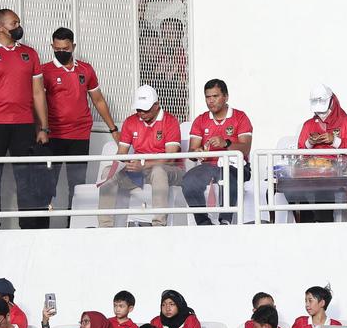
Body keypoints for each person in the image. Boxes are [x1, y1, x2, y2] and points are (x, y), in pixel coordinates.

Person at [0, 8, 50, 230]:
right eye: (14, 23)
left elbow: (38, 92)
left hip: (24, 125)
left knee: (26, 176)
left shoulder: (30, 54)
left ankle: (28, 225)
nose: (18, 26)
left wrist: (43, 127)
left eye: (18, 22)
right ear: (1, 27)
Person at [43, 27, 119, 206]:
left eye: (66, 49)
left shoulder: (86, 69)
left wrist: (113, 129)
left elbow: (98, 100)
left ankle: (74, 227)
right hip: (53, 136)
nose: (61, 52)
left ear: (73, 46)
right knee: (47, 184)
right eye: (57, 49)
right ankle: (42, 229)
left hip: (79, 135)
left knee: (77, 184)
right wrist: (41, 129)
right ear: (52, 46)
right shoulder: (44, 71)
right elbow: (37, 102)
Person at [99, 85, 183, 227]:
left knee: (159, 171)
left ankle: (159, 225)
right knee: (108, 171)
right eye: (138, 109)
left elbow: (170, 158)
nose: (141, 113)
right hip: (139, 170)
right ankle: (105, 227)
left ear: (156, 105)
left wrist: (143, 164)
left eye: (145, 109)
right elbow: (121, 154)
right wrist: (123, 165)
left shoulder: (170, 121)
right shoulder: (131, 121)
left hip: (169, 170)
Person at [182, 78, 252, 225]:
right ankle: (203, 223)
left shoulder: (240, 117)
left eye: (215, 96)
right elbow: (192, 150)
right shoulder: (200, 120)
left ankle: (225, 221)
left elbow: (245, 148)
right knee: (188, 180)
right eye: (208, 97)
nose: (211, 101)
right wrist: (198, 152)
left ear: (225, 97)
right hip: (209, 165)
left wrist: (225, 143)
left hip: (237, 166)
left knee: (227, 174)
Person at [292, 85, 347, 223]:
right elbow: (300, 153)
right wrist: (310, 143)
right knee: (291, 189)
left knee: (323, 185)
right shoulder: (308, 125)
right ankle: (308, 222)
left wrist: (335, 141)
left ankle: (323, 223)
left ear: (332, 102)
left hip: (337, 171)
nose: (321, 113)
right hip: (311, 170)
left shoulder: (346, 122)